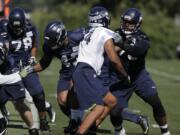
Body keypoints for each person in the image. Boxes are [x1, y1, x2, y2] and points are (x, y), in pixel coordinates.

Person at [110, 8, 170, 135]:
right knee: (114, 110)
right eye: (125, 21)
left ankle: (165, 131)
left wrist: (121, 45)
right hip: (121, 77)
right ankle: (119, 130)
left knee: (155, 102)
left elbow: (136, 50)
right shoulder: (116, 33)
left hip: (138, 76)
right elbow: (110, 50)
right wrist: (119, 46)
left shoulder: (142, 37)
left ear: (137, 23)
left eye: (130, 22)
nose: (126, 24)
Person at [72, 6, 130, 135]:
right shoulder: (104, 32)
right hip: (87, 72)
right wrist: (125, 75)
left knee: (111, 101)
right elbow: (113, 58)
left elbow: (103, 50)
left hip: (82, 70)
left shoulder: (88, 32)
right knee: (98, 108)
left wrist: (120, 47)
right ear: (103, 19)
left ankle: (91, 130)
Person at [21, 20, 86, 134]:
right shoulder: (50, 46)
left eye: (53, 41)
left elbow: (97, 37)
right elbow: (44, 63)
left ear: (61, 36)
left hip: (83, 69)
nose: (51, 45)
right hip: (67, 71)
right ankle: (76, 120)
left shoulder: (78, 35)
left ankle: (79, 122)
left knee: (74, 91)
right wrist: (28, 70)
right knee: (62, 101)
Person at [0, 7, 50, 131]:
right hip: (10, 68)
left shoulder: (31, 29)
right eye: (14, 27)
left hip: (27, 66)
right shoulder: (3, 32)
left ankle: (43, 120)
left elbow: (34, 45)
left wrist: (33, 57)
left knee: (38, 94)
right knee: (17, 100)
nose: (17, 30)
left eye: (19, 27)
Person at [0, 36, 39, 135]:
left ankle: (33, 129)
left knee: (19, 104)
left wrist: (26, 71)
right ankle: (1, 122)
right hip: (10, 77)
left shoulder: (10, 59)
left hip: (11, 76)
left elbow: (19, 74)